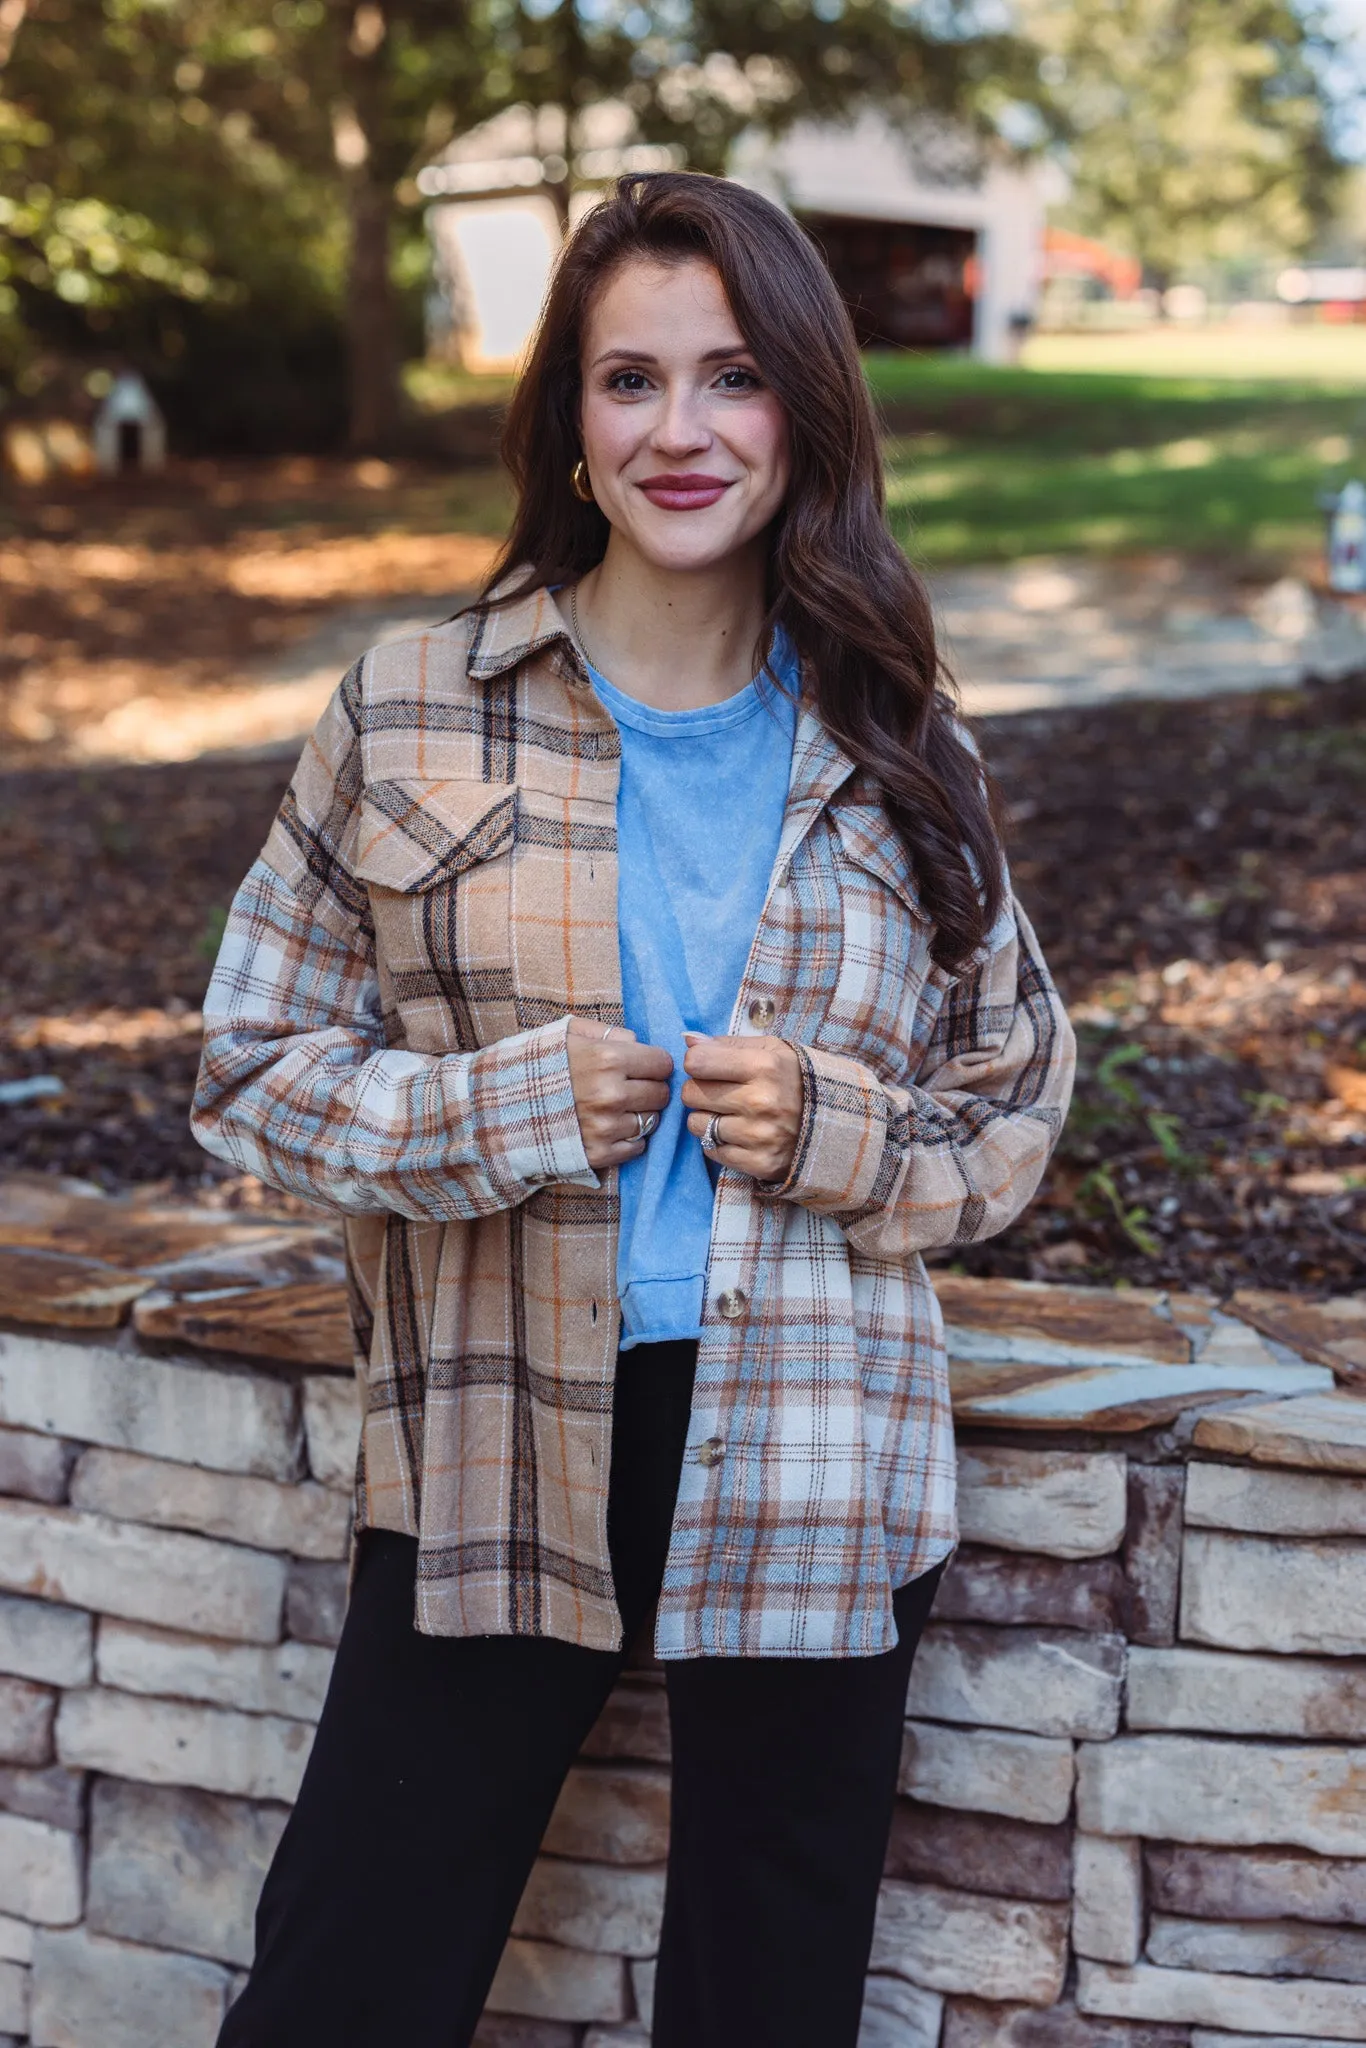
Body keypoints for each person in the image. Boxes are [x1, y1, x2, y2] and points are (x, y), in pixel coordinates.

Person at [193, 170, 1075, 2048]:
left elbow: (1009, 1104)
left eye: (733, 378)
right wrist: (500, 1109)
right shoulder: (412, 703)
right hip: (500, 1420)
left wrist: (841, 1131)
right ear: (569, 430)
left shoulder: (901, 732)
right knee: (351, 1963)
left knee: (769, 1988)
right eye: (628, 382)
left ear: (805, 415)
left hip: (817, 1445)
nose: (681, 432)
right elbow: (250, 1072)